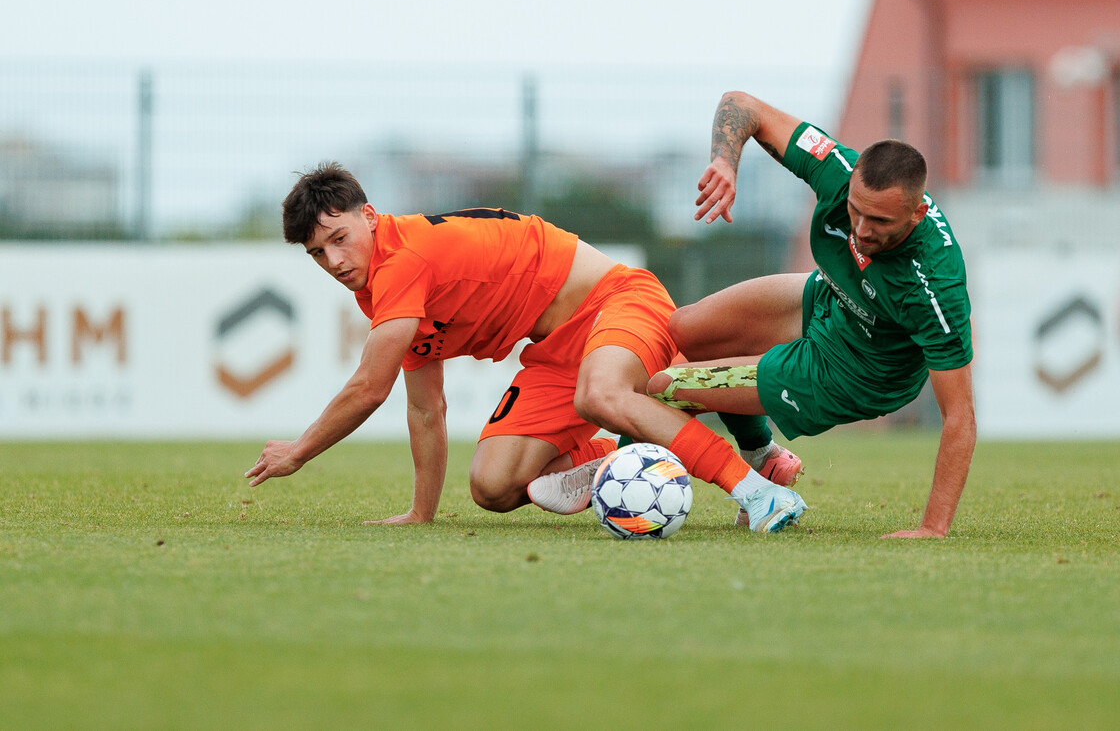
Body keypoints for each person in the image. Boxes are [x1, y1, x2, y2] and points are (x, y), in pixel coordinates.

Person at [244, 162, 807, 532]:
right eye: (318, 253)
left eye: (339, 239)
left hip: (618, 301)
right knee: (494, 486)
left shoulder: (402, 259)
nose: (335, 261)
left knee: (607, 393)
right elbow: (424, 406)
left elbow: (369, 388)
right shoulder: (380, 292)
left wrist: (299, 450)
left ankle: (756, 490)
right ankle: (619, 456)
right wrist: (421, 513)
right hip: (557, 350)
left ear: (369, 217)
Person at [647, 91, 975, 539]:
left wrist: (933, 528)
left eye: (879, 222)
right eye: (855, 212)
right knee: (684, 329)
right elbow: (743, 105)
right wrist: (726, 162)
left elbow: (959, 417)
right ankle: (764, 458)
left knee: (665, 386)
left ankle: (692, 483)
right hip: (829, 299)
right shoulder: (837, 170)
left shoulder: (935, 285)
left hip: (856, 372)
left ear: (917, 213)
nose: (860, 231)